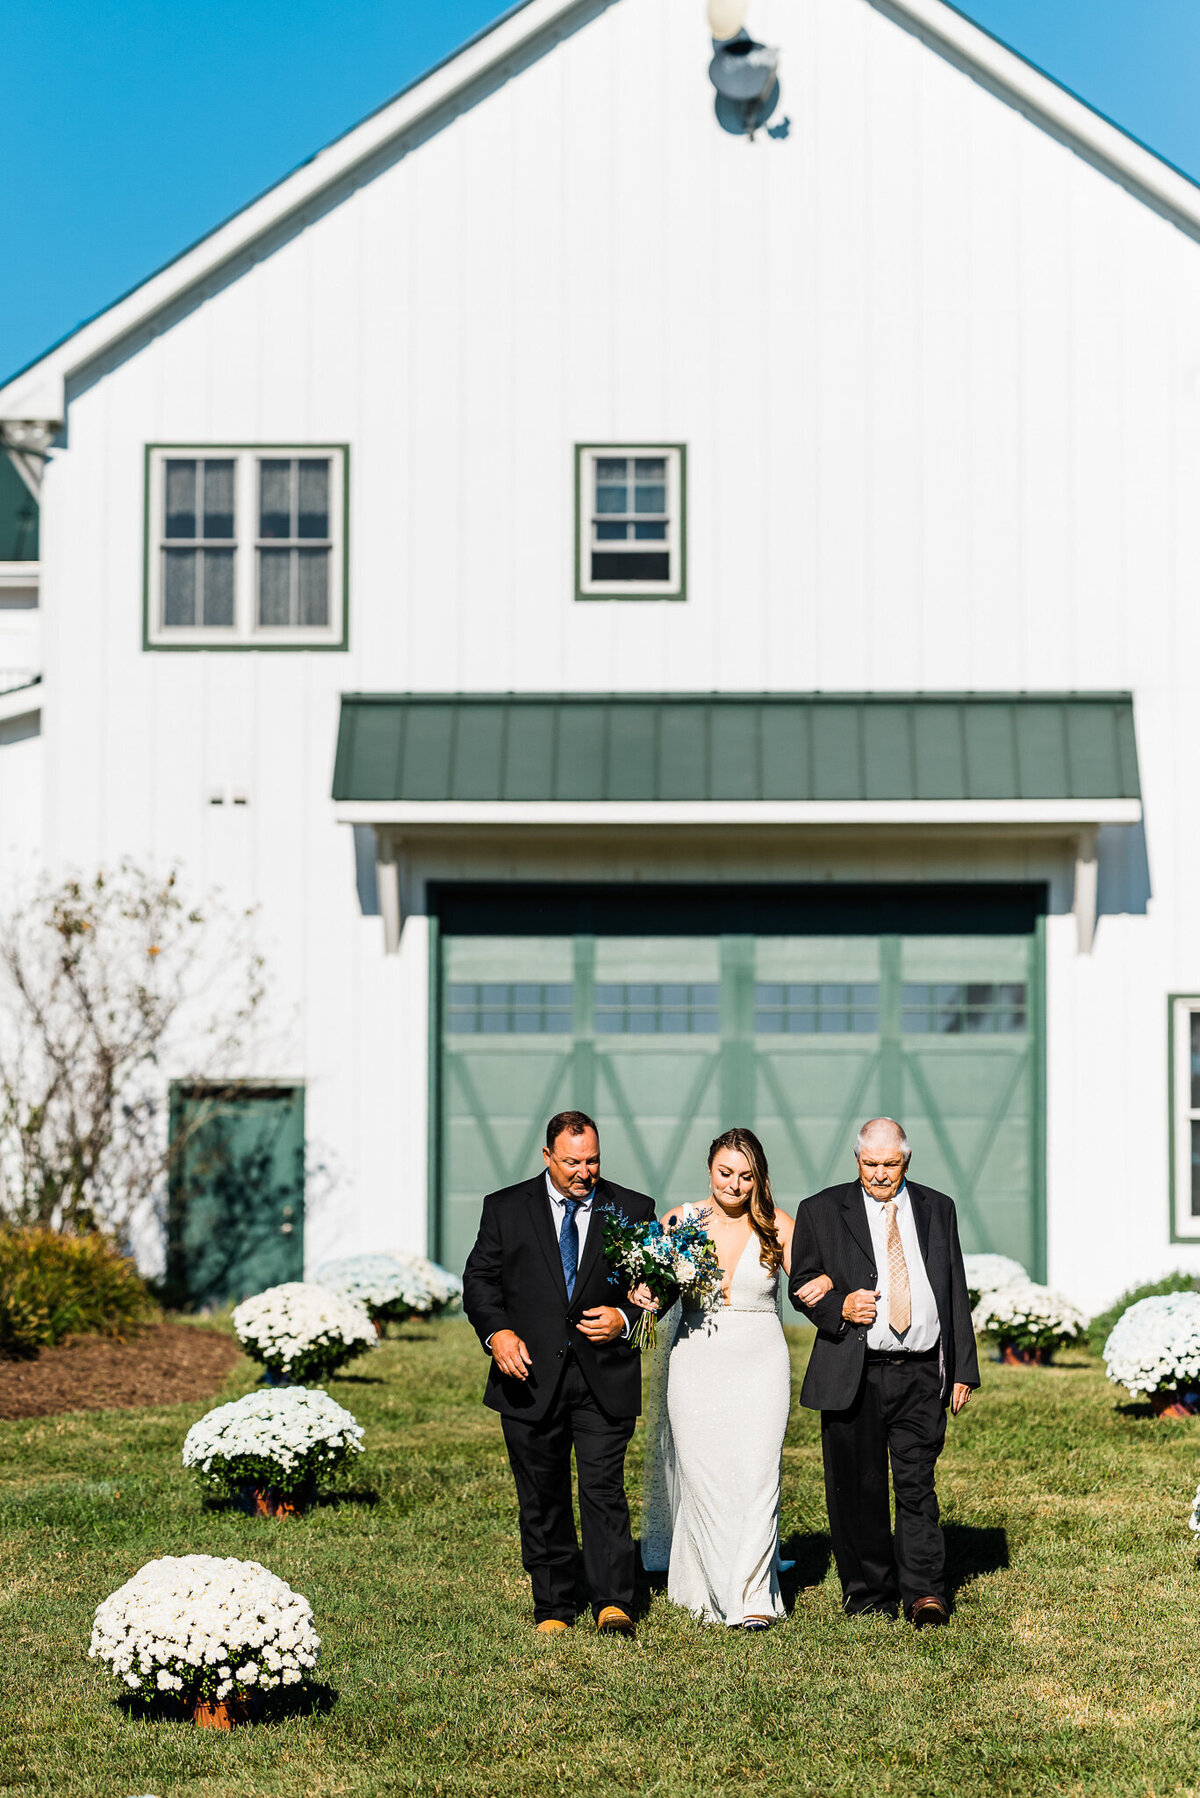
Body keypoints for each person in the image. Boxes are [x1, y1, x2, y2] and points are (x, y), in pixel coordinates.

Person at [461, 1109, 657, 1637]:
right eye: (572, 1161)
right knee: (541, 1495)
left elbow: (658, 1285)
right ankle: (553, 1604)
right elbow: (480, 1282)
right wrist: (497, 1333)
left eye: (592, 1160)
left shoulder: (633, 1208)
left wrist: (625, 1317)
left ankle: (612, 1601)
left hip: (604, 1378)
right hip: (527, 1377)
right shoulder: (504, 1208)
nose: (583, 1171)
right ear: (547, 1156)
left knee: (602, 1490)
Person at [788, 1116, 980, 1627]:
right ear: (857, 1160)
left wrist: (962, 1367)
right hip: (854, 1371)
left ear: (906, 1161)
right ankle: (870, 1594)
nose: (879, 1174)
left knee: (917, 1484)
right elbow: (802, 1281)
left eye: (889, 1164)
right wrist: (839, 1307)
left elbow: (953, 1285)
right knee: (858, 1487)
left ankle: (924, 1593)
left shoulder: (938, 1208)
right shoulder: (821, 1209)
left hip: (920, 1372)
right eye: (870, 1164)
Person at [639, 1127, 831, 1630]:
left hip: (759, 1362)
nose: (735, 1184)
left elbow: (810, 1279)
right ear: (709, 1169)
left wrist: (828, 1282)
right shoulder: (679, 1221)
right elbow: (656, 1291)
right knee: (703, 1476)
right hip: (695, 1361)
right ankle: (703, 1586)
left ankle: (750, 1597)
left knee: (757, 1475)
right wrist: (644, 1295)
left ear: (758, 1177)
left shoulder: (777, 1225)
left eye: (746, 1176)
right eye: (726, 1173)